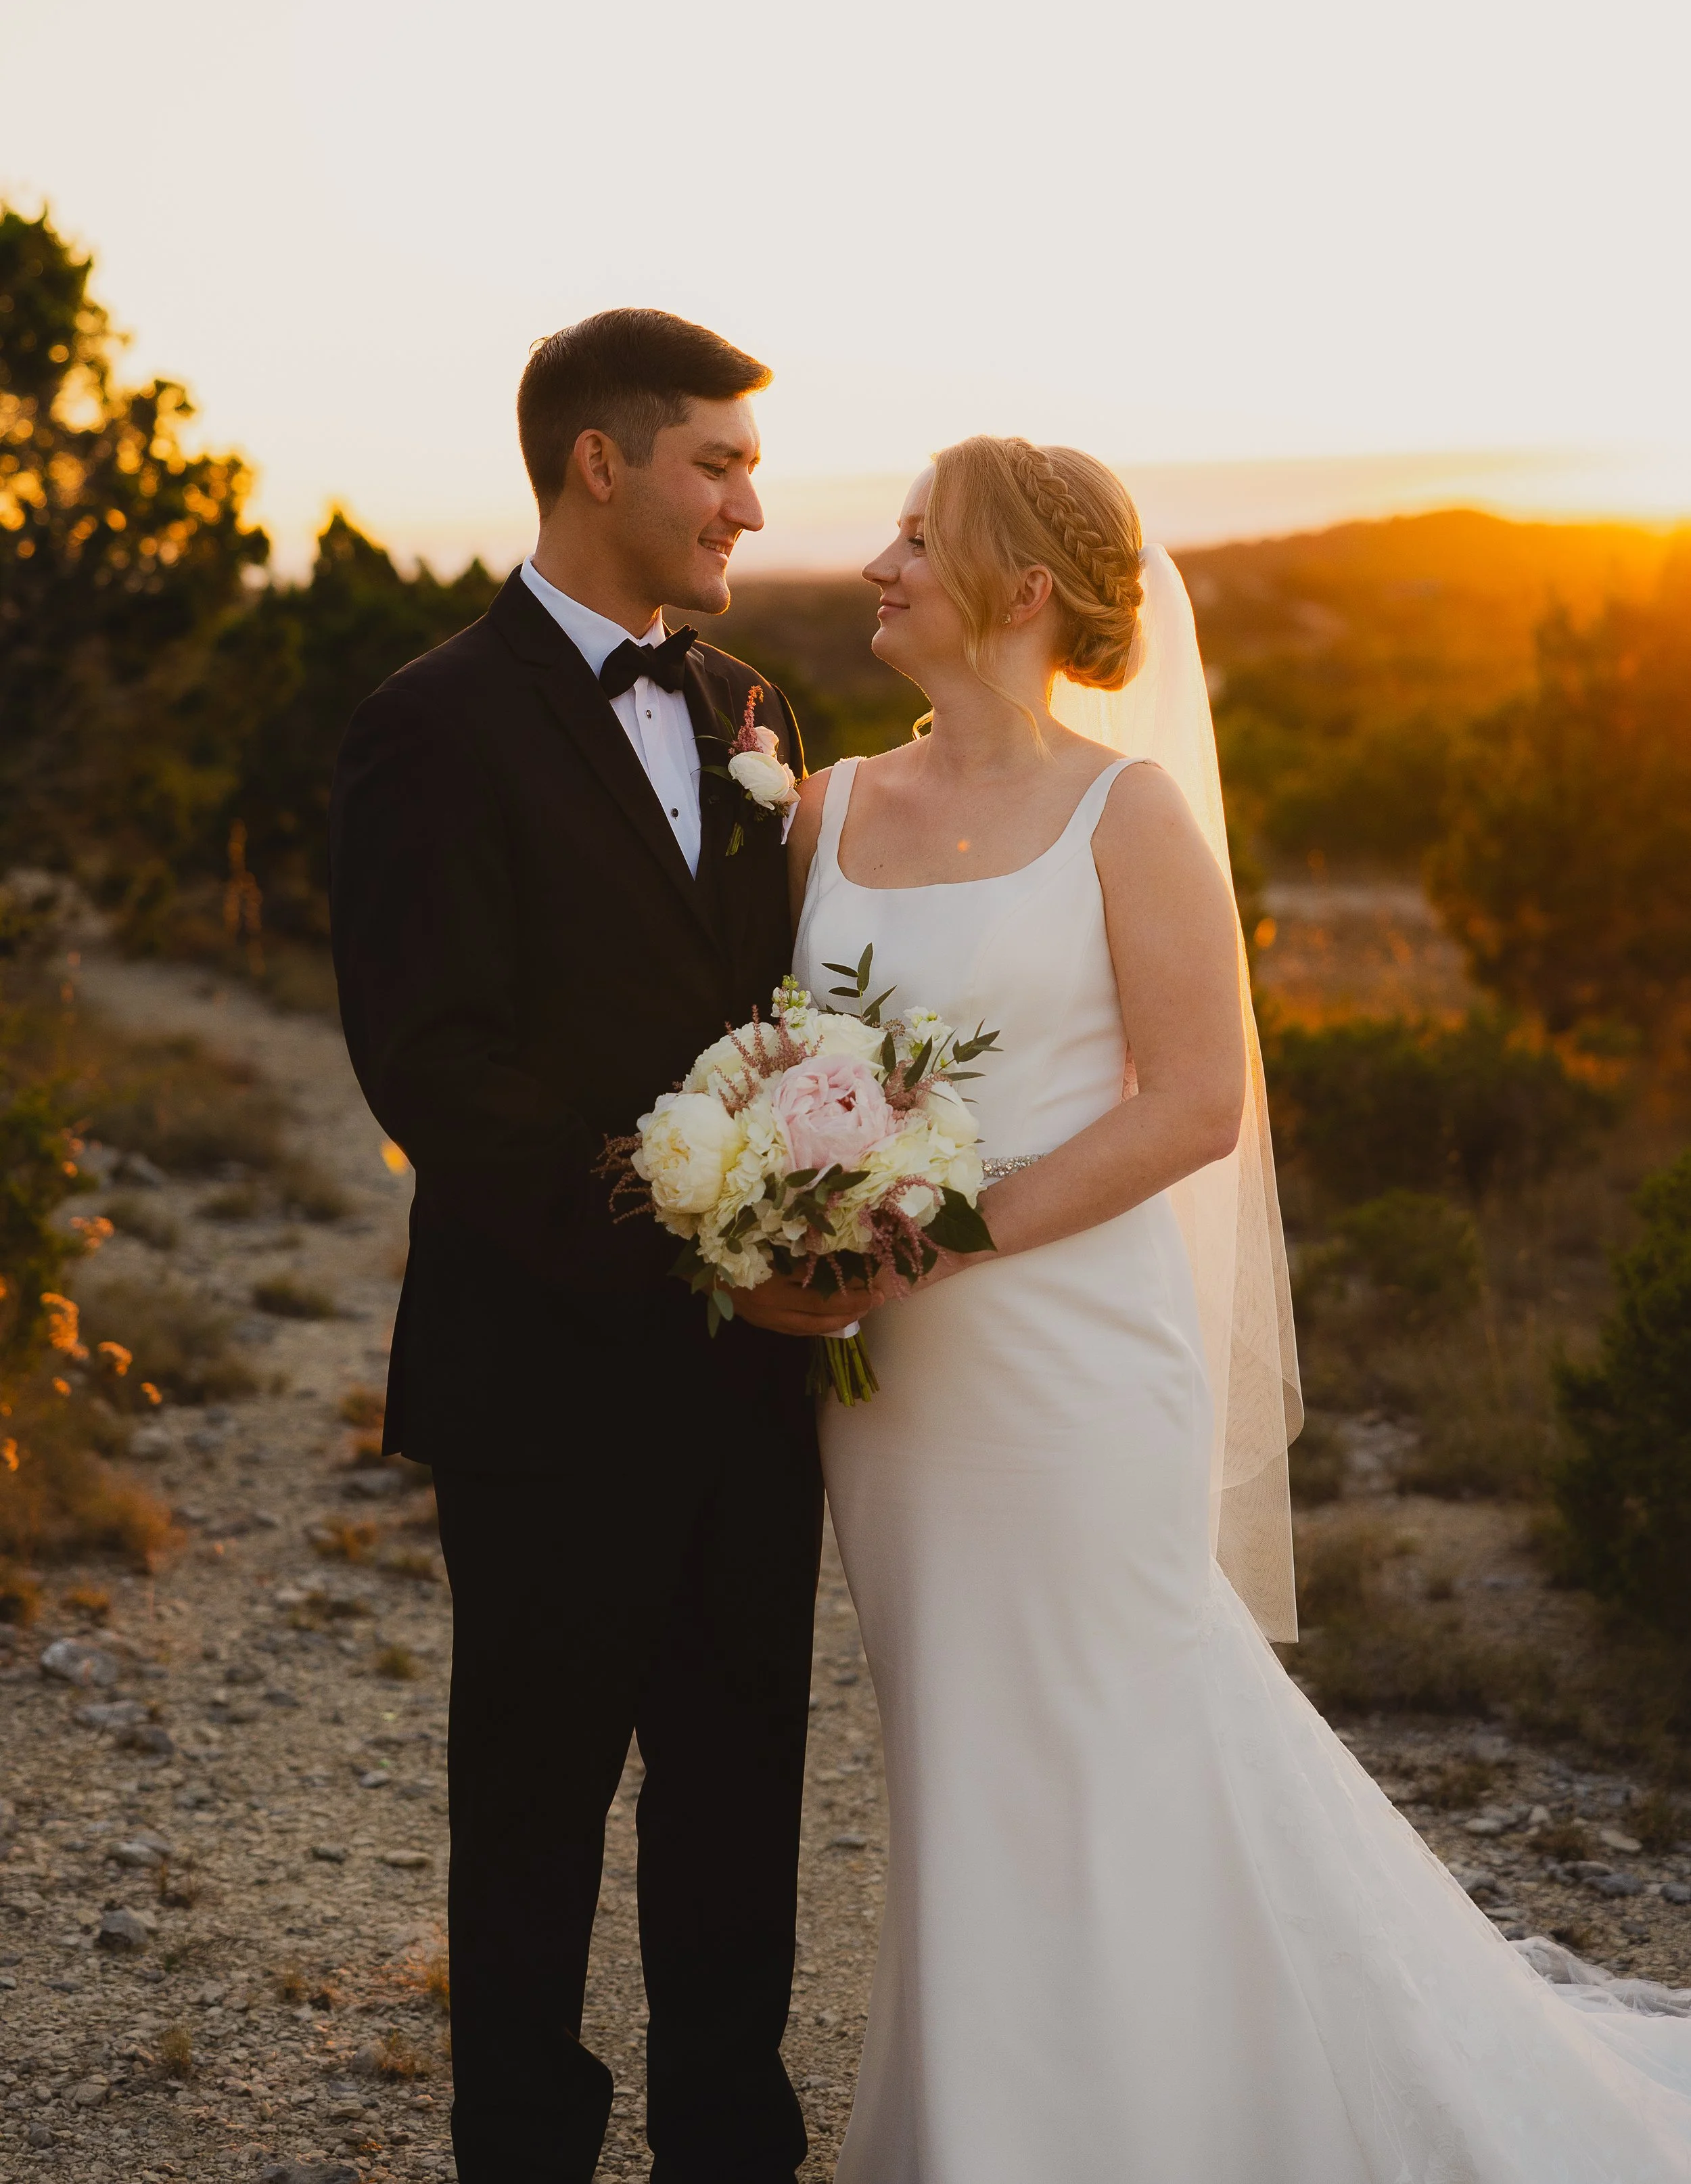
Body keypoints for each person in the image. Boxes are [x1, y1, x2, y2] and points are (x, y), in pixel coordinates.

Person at [784, 434, 1691, 2182]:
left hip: (1064, 1362)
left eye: (914, 535)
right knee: (958, 1737)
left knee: (1112, 1722)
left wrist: (935, 1236)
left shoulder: (1126, 814)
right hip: (897, 1392)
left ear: (1021, 588)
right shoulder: (819, 810)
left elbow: (1193, 1100)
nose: (877, 561)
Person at [329, 310, 822, 2184]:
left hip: (757, 1382)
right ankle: (522, 2152)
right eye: (714, 460)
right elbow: (433, 1068)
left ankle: (729, 2147)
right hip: (546, 1365)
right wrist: (682, 1237)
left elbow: (788, 1009)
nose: (746, 502)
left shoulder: (754, 707)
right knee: (530, 1814)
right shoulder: (428, 721)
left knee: (739, 1801)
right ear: (598, 462)